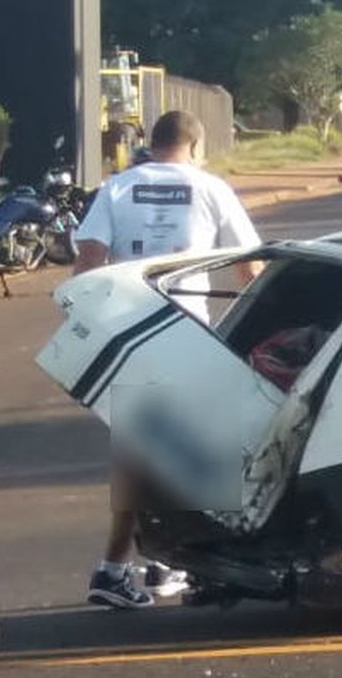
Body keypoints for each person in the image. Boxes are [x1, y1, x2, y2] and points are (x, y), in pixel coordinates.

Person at [73, 110, 262, 609]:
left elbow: (88, 263)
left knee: (138, 452)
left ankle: (154, 564)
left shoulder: (116, 187)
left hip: (133, 333)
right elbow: (250, 267)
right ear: (196, 147)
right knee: (206, 449)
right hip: (189, 333)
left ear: (151, 145)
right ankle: (191, 566)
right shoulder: (211, 188)